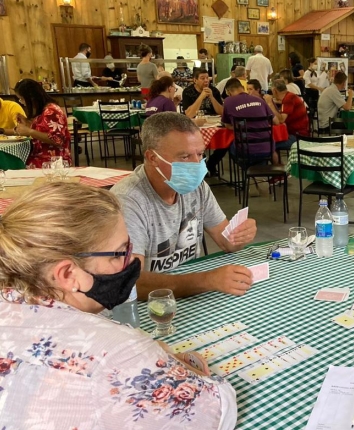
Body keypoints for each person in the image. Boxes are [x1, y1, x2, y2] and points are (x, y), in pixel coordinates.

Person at [0, 182, 238, 429]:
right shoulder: (117, 352)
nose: (131, 261)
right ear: (68, 274)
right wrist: (172, 364)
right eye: (118, 254)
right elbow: (218, 411)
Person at [110, 112, 257, 299]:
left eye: (200, 154)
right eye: (185, 157)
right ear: (152, 157)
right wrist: (206, 281)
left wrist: (241, 234)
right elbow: (131, 282)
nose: (197, 165)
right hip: (149, 305)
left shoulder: (197, 187)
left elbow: (227, 242)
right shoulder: (128, 201)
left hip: (188, 293)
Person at [205, 78, 280, 174]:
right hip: (268, 149)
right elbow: (276, 121)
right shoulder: (260, 100)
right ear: (243, 88)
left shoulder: (228, 101)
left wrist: (240, 128)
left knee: (227, 143)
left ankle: (249, 173)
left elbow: (227, 124)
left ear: (228, 92)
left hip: (245, 151)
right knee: (271, 146)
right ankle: (272, 174)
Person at [13, 79, 71, 168]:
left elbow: (57, 140)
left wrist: (29, 131)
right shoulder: (44, 110)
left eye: (22, 99)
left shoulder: (52, 111)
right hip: (41, 157)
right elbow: (43, 129)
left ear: (31, 98)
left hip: (53, 161)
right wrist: (27, 123)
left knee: (14, 167)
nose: (22, 102)